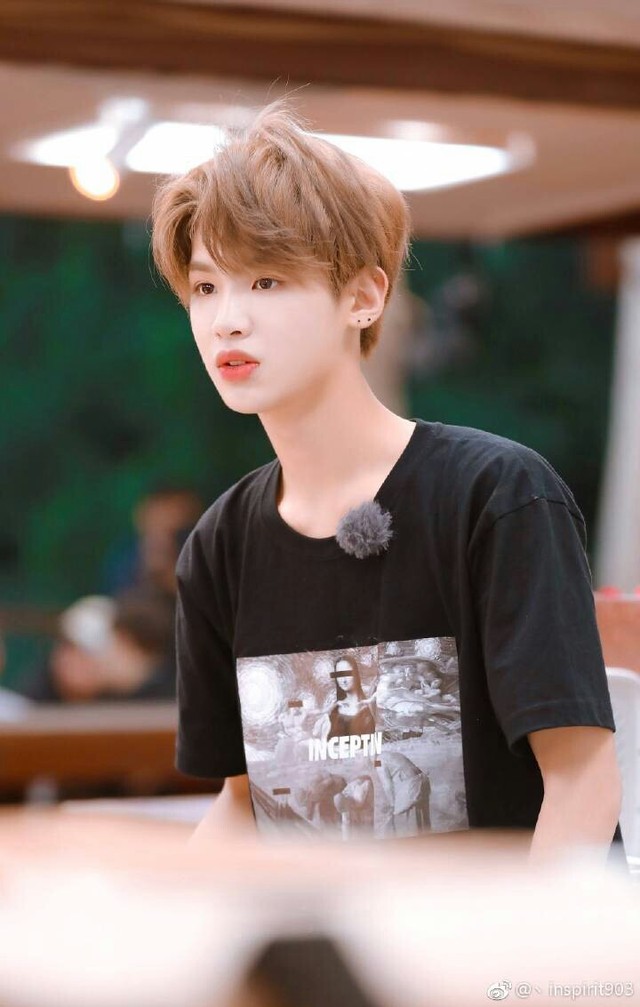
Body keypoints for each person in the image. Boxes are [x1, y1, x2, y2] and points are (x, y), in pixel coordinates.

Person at [151, 100, 620, 862]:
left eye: (266, 280)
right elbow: (246, 803)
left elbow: (583, 782)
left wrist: (518, 942)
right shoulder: (219, 546)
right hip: (326, 937)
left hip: (508, 932)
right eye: (206, 288)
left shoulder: (496, 496)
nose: (227, 319)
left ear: (364, 296)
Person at [327, 656, 376, 739]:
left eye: (347, 674)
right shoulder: (335, 708)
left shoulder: (371, 703)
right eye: (339, 675)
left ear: (355, 674)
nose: (344, 680)